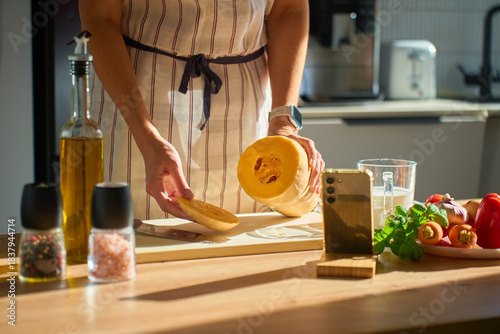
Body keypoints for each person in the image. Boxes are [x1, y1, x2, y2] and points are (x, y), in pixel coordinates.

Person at [79, 0, 324, 220]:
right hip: (140, 101)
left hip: (246, 104)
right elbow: (99, 18)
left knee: (244, 246)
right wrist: (147, 138)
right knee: (138, 241)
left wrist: (283, 119)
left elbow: (289, 9)